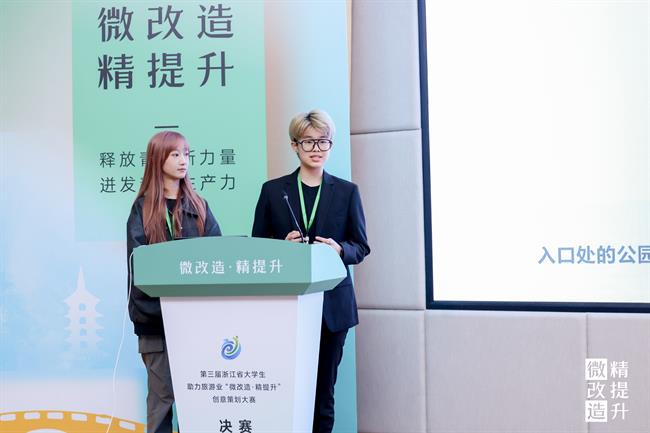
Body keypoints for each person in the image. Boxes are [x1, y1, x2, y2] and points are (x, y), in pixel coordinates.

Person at [252, 109, 370, 433]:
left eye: (323, 141)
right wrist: (281, 247)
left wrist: (339, 249)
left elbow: (361, 246)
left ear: (331, 145)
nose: (316, 149)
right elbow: (257, 247)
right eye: (308, 142)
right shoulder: (273, 191)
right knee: (286, 391)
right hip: (286, 307)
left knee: (323, 395)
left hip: (333, 308)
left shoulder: (347, 191)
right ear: (294, 145)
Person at [126, 131, 222, 433]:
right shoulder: (142, 210)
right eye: (175, 154)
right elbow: (138, 270)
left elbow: (219, 261)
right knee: (162, 400)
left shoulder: (200, 206)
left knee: (201, 400)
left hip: (197, 324)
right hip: (155, 324)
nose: (183, 161)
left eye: (186, 154)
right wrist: (163, 311)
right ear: (158, 159)